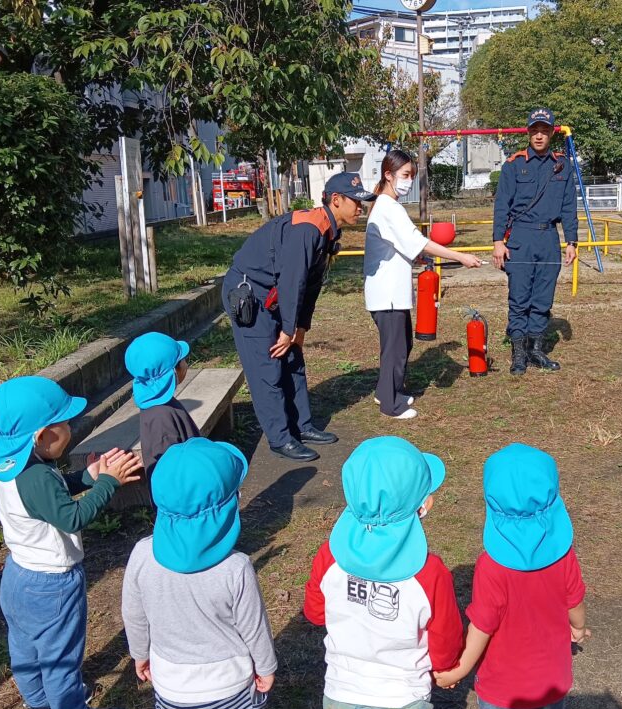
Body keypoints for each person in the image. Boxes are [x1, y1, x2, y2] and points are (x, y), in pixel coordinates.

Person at [0, 376, 143, 709]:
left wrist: (86, 477)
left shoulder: (12, 462)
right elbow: (71, 518)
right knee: (61, 657)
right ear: (42, 436)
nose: (71, 429)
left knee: (25, 646)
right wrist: (106, 483)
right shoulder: (37, 474)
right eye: (65, 423)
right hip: (52, 583)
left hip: (19, 575)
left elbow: (49, 496)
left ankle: (40, 706)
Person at [304, 436, 463, 709]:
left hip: (339, 698)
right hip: (400, 704)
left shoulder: (329, 555)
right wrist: (445, 667)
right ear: (425, 506)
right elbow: (446, 641)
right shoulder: (429, 573)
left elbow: (315, 613)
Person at [122, 438, 277, 709]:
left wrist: (140, 654)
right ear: (227, 508)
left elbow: (133, 614)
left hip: (172, 689)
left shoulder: (142, 554)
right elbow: (254, 628)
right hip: (230, 689)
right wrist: (266, 667)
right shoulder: (236, 567)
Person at [433, 444, 589, 709]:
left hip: (503, 685)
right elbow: (574, 601)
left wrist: (460, 668)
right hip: (552, 678)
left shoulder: (491, 567)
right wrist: (576, 628)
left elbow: (482, 626)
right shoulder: (564, 555)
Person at [222, 171, 374, 462]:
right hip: (250, 294)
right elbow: (293, 282)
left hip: (277, 294)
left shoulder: (329, 231)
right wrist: (287, 328)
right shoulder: (308, 230)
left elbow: (310, 284)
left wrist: (299, 327)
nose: (360, 207)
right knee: (266, 365)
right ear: (336, 200)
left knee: (292, 358)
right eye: (355, 201)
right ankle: (280, 438)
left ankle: (302, 426)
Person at [364, 150, 480, 420]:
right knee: (395, 349)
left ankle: (386, 391)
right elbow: (420, 241)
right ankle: (390, 405)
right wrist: (460, 256)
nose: (408, 181)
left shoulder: (389, 206)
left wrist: (420, 256)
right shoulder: (387, 207)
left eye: (411, 176)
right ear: (388, 175)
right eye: (405, 175)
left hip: (392, 293)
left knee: (401, 344)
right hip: (387, 293)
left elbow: (406, 247)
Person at [492, 108, 579, 375]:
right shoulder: (514, 165)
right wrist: (498, 241)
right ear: (528, 132)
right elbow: (501, 206)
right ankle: (518, 354)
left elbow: (568, 206)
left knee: (543, 298)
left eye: (544, 130)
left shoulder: (562, 165)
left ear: (552, 133)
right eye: (534, 130)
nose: (539, 136)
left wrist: (571, 241)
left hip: (549, 239)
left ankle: (536, 350)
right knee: (519, 298)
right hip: (521, 237)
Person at [124, 331, 200, 481]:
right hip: (184, 498)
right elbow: (170, 472)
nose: (186, 364)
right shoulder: (161, 417)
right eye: (183, 360)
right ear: (172, 371)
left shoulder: (160, 404)